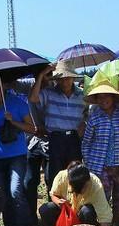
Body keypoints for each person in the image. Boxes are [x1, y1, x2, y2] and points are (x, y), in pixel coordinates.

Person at [0, 76, 37, 226]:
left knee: (15, 192)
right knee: (2, 195)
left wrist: (13, 121)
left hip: (16, 156)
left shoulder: (18, 104)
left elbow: (32, 128)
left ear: (4, 85)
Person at [29, 61, 87, 192]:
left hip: (74, 138)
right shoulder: (49, 93)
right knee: (55, 177)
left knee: (76, 175)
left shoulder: (82, 95)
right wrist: (42, 75)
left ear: (73, 78)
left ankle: (74, 208)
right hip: (55, 138)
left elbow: (89, 112)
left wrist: (84, 122)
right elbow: (33, 98)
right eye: (61, 78)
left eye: (67, 78)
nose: (65, 82)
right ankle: (56, 207)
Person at [81, 80, 119, 223]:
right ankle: (103, 224)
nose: (103, 100)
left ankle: (116, 223)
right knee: (102, 196)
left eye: (106, 96)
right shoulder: (94, 117)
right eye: (99, 98)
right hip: (100, 165)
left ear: (113, 97)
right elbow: (86, 142)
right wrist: (89, 162)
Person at [38, 160, 111, 226]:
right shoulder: (62, 176)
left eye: (84, 188)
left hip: (82, 217)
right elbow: (53, 194)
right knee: (45, 209)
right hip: (66, 214)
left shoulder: (96, 185)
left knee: (87, 211)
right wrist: (58, 201)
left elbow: (104, 216)